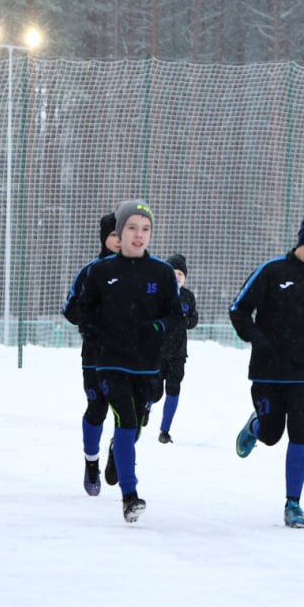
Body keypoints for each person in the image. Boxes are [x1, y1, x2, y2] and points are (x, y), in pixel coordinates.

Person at [230, 210, 304, 529]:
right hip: (267, 371)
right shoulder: (272, 270)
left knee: (300, 431)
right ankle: (256, 427)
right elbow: (238, 310)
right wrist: (258, 340)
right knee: (271, 434)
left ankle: (293, 504)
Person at [76, 200, 182, 523]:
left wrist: (157, 328)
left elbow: (176, 316)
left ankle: (116, 457)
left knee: (134, 425)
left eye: (145, 229)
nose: (139, 235)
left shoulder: (162, 273)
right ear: (119, 233)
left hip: (146, 365)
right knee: (121, 416)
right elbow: (80, 310)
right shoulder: (99, 271)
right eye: (132, 228)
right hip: (108, 363)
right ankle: (129, 495)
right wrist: (97, 332)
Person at [61, 212, 119, 496]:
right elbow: (70, 310)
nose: (119, 240)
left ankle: (119, 452)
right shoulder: (90, 271)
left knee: (129, 413)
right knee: (97, 409)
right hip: (95, 356)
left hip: (132, 357)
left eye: (123, 233)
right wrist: (94, 317)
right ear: (104, 238)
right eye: (113, 235)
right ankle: (91, 462)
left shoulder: (145, 271)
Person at [151, 252, 199, 443]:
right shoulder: (158, 294)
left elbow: (193, 319)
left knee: (173, 389)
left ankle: (165, 430)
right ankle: (145, 408)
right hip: (158, 353)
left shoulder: (188, 297)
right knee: (155, 392)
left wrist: (187, 321)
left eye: (181, 274)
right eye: (173, 273)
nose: (177, 276)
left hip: (178, 354)